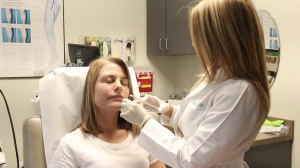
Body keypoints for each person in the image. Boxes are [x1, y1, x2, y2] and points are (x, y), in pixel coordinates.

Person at [120, 0, 270, 167]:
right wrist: (167, 109)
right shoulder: (216, 78)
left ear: (220, 41)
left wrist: (144, 121)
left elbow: (191, 159)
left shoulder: (240, 92)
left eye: (198, 38)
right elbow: (199, 121)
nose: (193, 44)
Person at [49, 56, 166, 168]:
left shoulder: (143, 137)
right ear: (91, 90)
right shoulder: (72, 144)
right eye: (109, 81)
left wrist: (168, 110)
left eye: (124, 83)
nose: (119, 86)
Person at [44, 0, 61, 65]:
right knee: (47, 28)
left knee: (48, 28)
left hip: (54, 2)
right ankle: (54, 54)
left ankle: (54, 54)